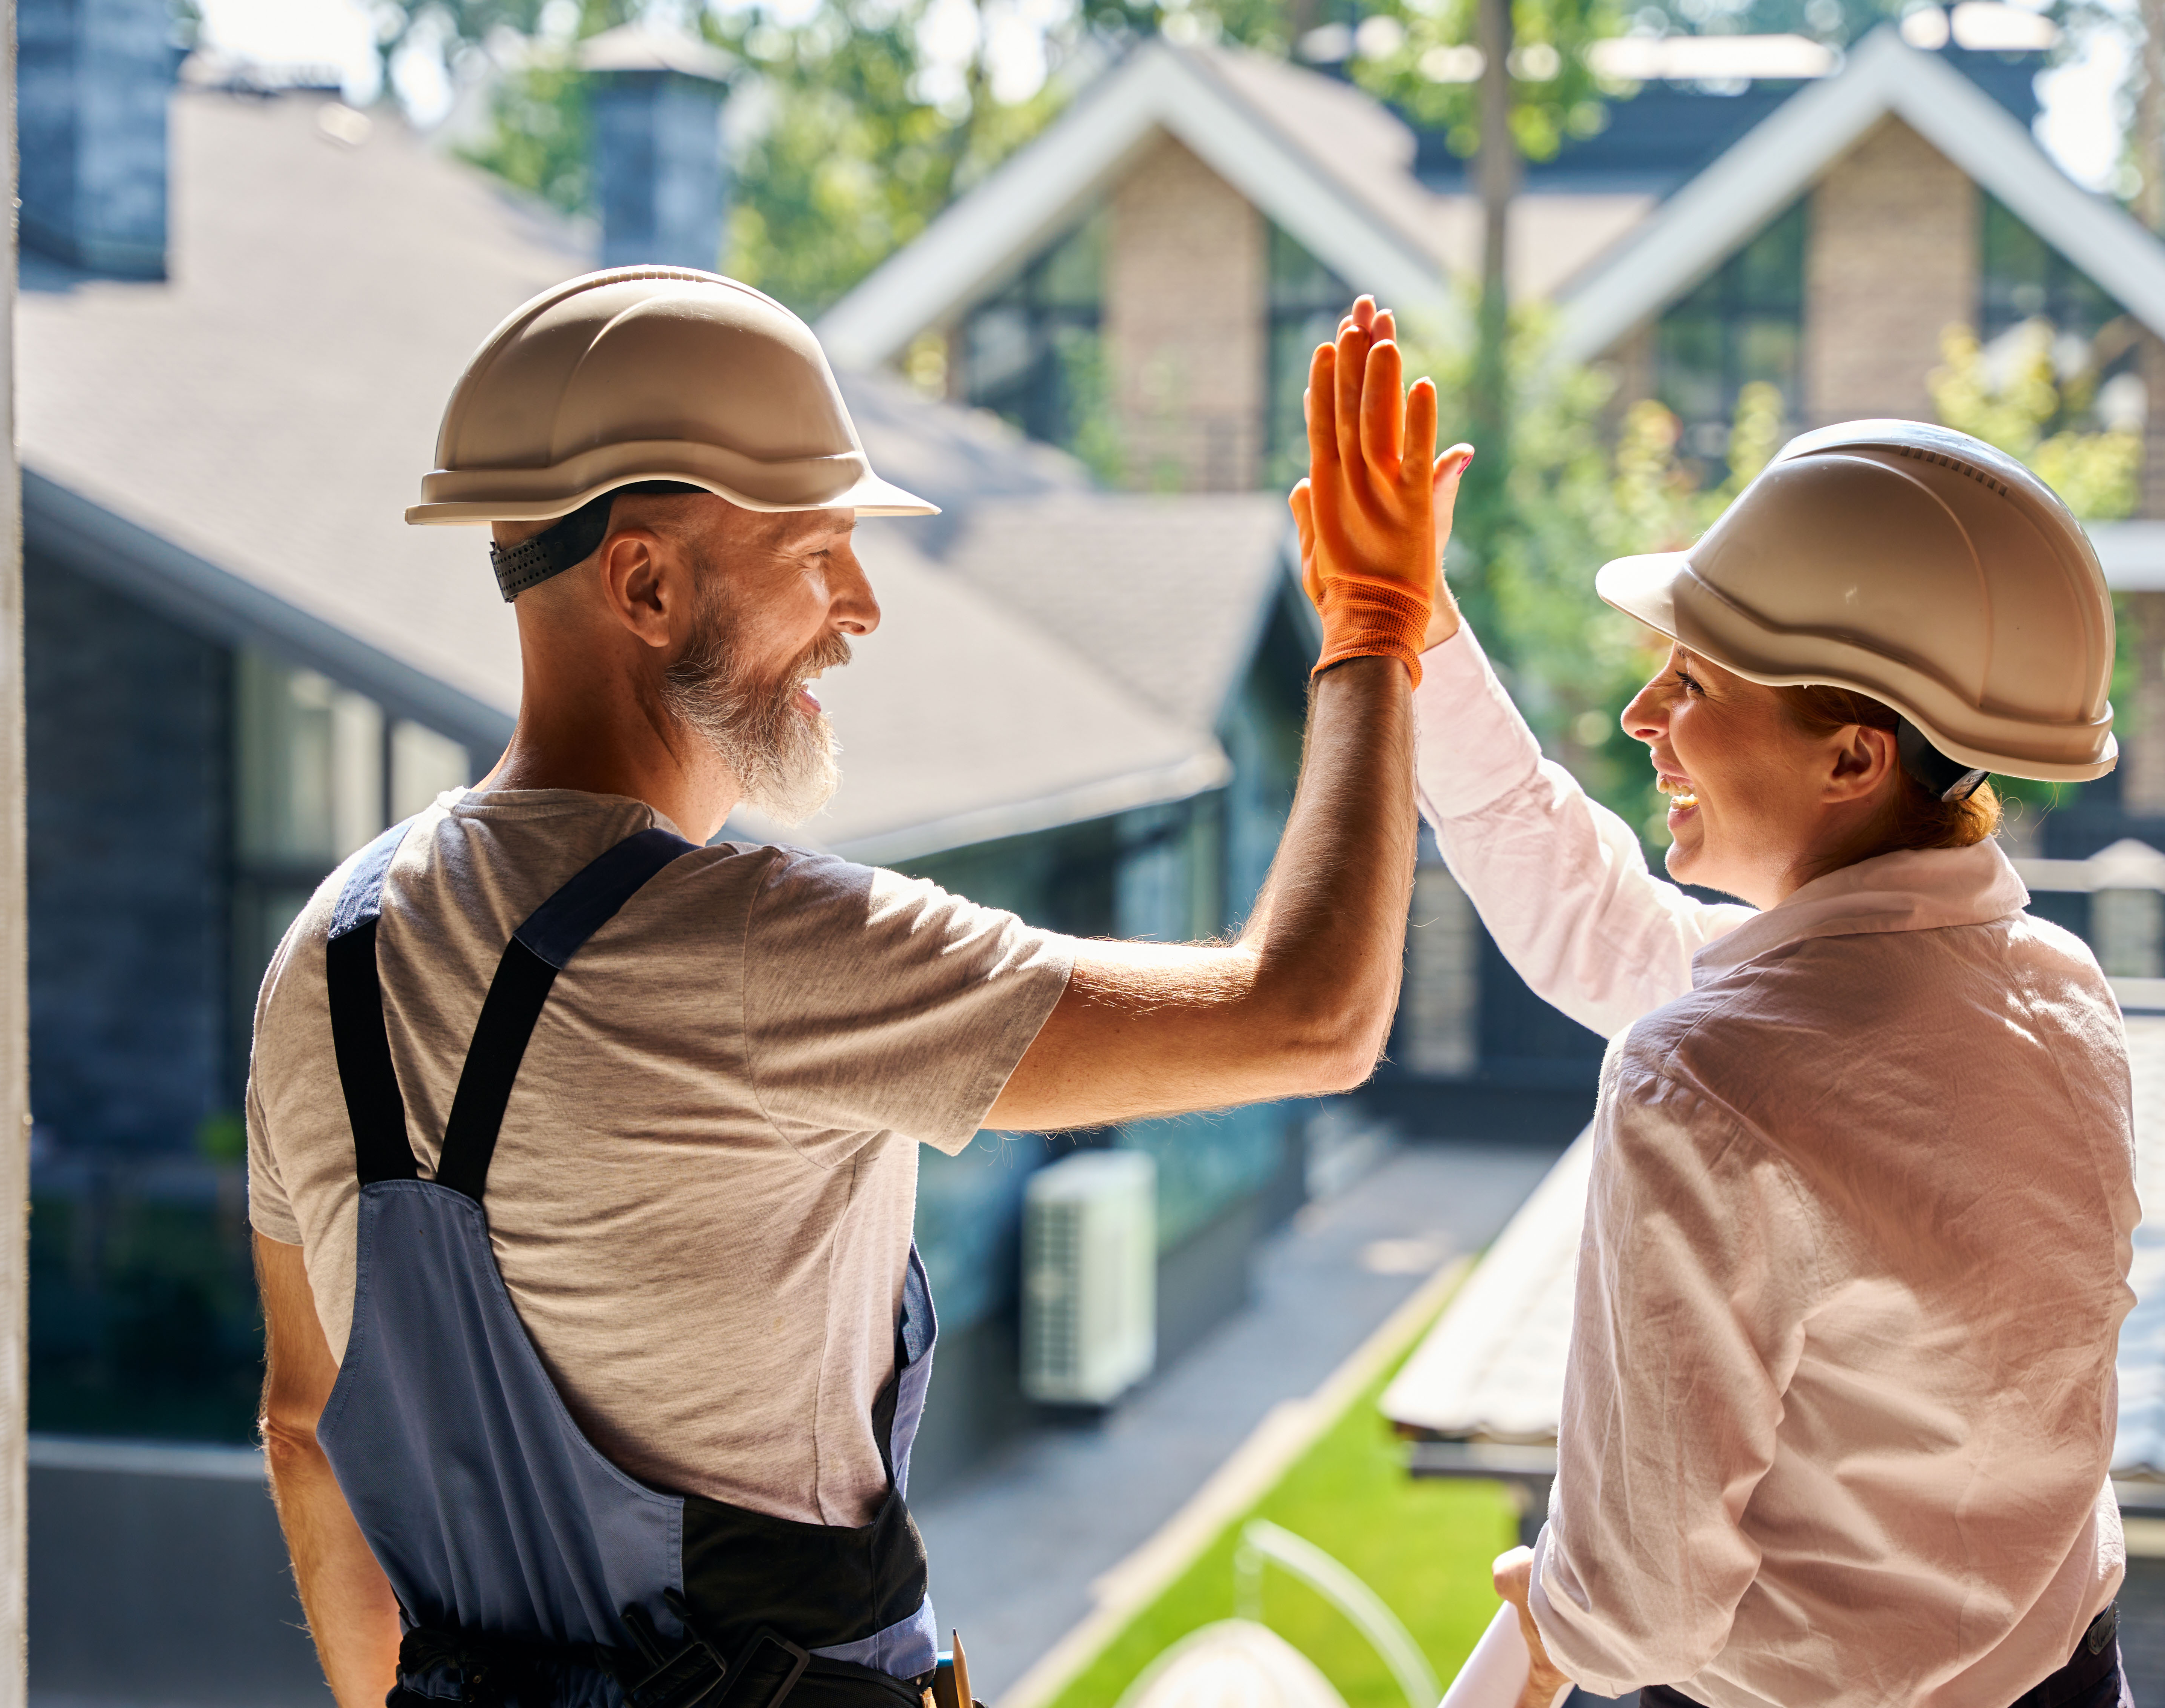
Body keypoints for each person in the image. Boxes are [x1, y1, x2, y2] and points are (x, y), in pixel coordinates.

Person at [246, 269, 1449, 1708]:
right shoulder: (759, 947)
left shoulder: (327, 953)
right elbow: (1310, 1016)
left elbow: (307, 1429)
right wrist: (1373, 625)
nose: (860, 607)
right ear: (644, 583)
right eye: (818, 551)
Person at [1304, 313, 2137, 1708]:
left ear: (1853, 758)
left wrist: (1554, 1602)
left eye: (1690, 682)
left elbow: (1631, 1616)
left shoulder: (1708, 1081)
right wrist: (1420, 629)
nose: (1643, 716)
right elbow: (1606, 926)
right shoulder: (2053, 993)